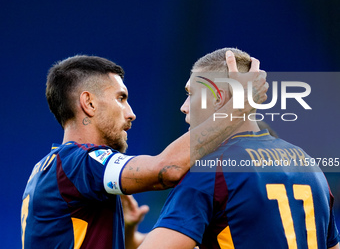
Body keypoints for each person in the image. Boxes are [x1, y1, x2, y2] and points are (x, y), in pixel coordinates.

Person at [20, 53, 268, 249]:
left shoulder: (51, 168)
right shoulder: (77, 162)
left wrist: (125, 232)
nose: (131, 113)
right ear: (89, 103)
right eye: (121, 98)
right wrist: (236, 108)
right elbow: (166, 169)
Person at [138, 48, 340, 249]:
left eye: (191, 93)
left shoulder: (211, 171)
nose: (184, 107)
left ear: (219, 98)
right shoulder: (310, 165)